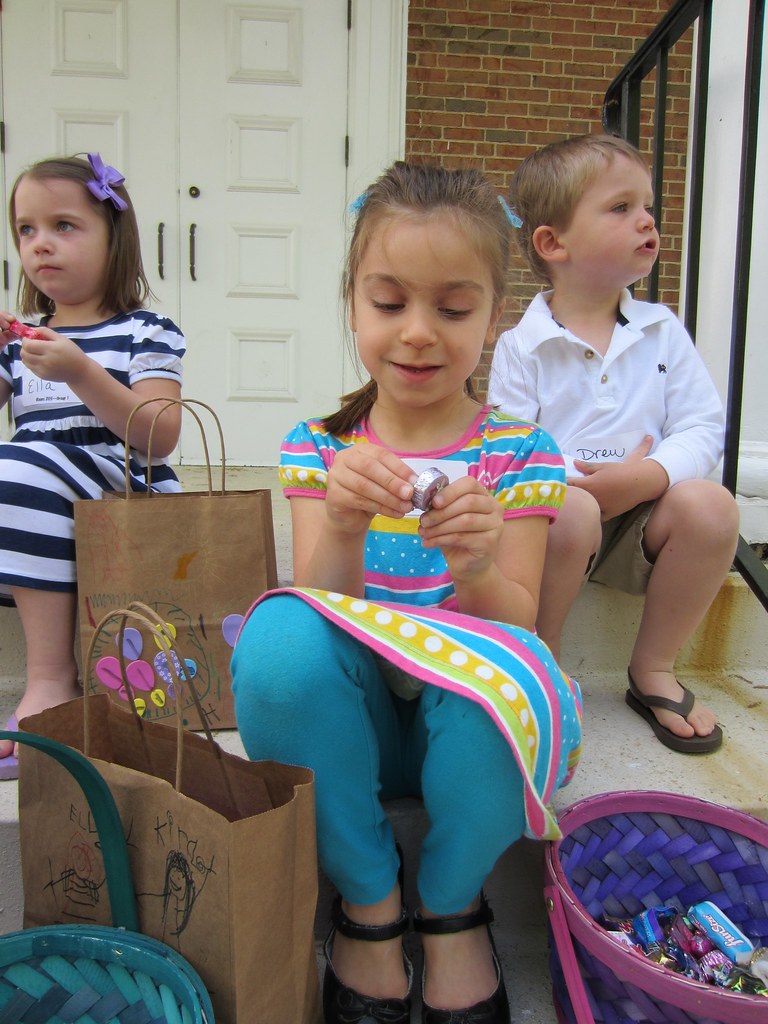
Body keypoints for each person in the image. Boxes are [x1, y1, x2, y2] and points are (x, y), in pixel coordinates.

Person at [231, 161, 583, 1024]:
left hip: (465, 736)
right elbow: (322, 611)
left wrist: (475, 570)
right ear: (352, 303)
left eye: (453, 309)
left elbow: (521, 622)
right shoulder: (320, 447)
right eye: (389, 304)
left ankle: (453, 903)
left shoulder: (519, 454)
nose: (419, 333)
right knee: (277, 641)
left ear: (493, 317)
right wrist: (345, 528)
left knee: (506, 669)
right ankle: (369, 903)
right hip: (357, 729)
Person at [488, 133, 739, 756]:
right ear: (554, 243)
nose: (647, 219)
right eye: (620, 207)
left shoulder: (660, 330)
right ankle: (537, 660)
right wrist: (581, 482)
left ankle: (652, 668)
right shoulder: (523, 346)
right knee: (569, 508)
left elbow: (704, 426)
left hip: (643, 522)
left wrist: (647, 477)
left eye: (647, 205)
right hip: (553, 523)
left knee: (713, 506)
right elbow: (510, 445)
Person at [0, 153, 185, 779]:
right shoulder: (21, 342)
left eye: (64, 226)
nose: (41, 244)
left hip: (122, 489)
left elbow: (160, 436)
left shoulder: (145, 331)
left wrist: (81, 370)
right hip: (36, 497)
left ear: (115, 238)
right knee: (18, 469)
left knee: (20, 467)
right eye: (26, 229)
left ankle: (52, 679)